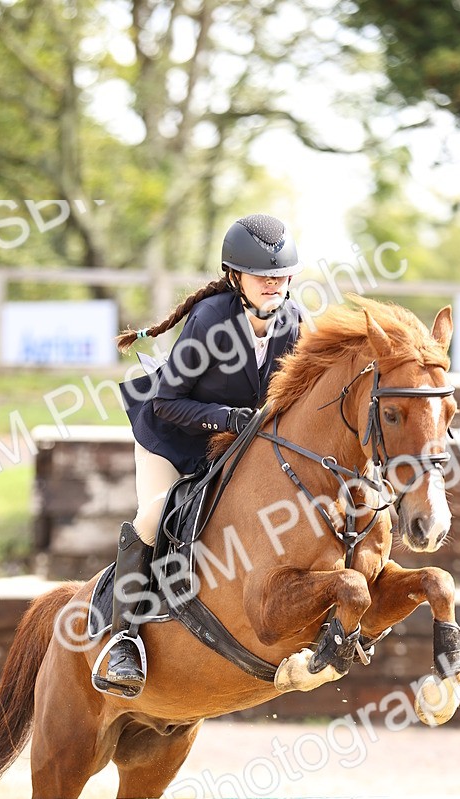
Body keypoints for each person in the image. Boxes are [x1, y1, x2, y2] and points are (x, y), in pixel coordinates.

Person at [93, 213, 303, 697]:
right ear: (236, 277)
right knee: (155, 516)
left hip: (233, 447)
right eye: (262, 276)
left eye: (281, 275)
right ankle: (122, 639)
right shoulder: (211, 321)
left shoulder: (293, 321)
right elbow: (167, 401)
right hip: (172, 437)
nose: (274, 284)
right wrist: (229, 418)